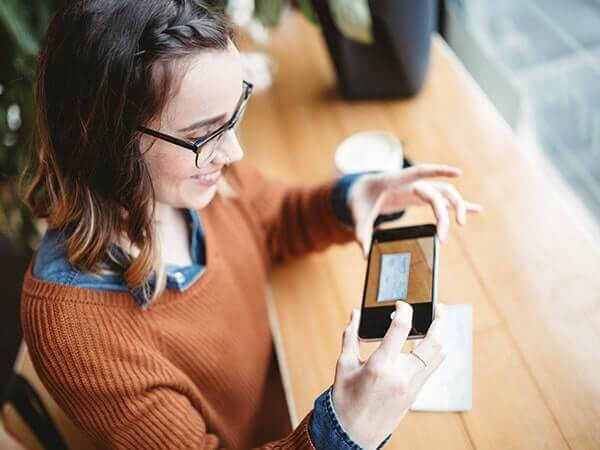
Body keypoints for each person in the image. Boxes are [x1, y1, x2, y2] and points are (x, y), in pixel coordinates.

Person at [19, 0, 482, 448]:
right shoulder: (76, 331)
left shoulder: (190, 177)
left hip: (283, 385)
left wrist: (354, 196)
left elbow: (275, 219)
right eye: (203, 134)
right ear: (105, 140)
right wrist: (344, 431)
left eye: (235, 113)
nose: (235, 153)